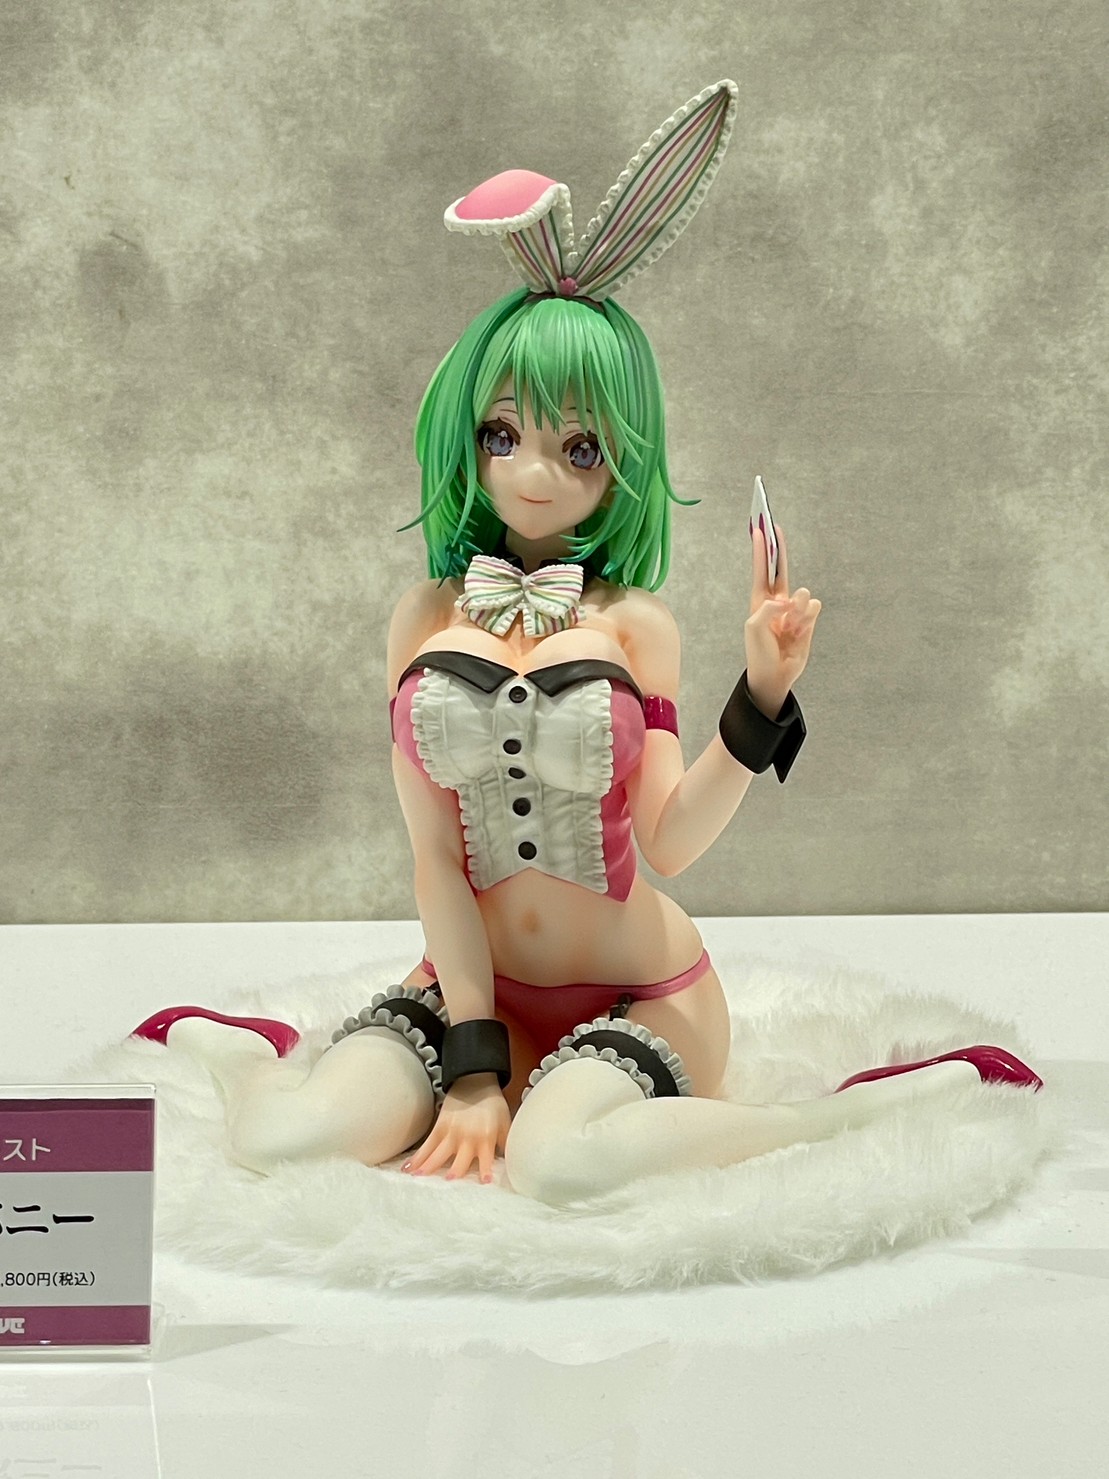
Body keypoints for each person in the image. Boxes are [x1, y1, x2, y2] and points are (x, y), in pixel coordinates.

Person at [133, 82, 1041, 1206]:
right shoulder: (421, 617)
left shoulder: (635, 624)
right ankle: (245, 1052)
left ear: (621, 464)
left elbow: (670, 839)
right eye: (502, 433)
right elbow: (433, 858)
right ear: (466, 434)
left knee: (556, 1166)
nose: (531, 471)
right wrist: (473, 1063)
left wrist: (760, 694)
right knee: (285, 1144)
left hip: (641, 993)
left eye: (578, 448)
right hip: (475, 989)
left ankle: (842, 1110)